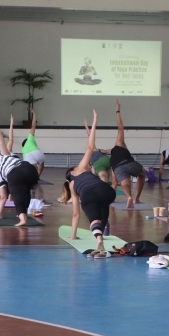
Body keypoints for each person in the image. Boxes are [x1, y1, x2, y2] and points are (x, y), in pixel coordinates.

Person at [60, 110, 116, 258]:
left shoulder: (72, 186)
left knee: (94, 218)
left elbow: (76, 214)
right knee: (103, 205)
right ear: (72, 171)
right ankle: (102, 233)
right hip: (107, 191)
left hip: (89, 194)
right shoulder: (80, 169)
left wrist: (73, 236)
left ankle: (99, 239)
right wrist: (95, 123)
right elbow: (90, 147)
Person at [0, 115, 39, 227]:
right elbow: (2, 142)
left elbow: (3, 197)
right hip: (31, 170)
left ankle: (22, 218)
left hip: (16, 174)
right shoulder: (7, 156)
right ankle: (24, 214)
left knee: (18, 196)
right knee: (25, 191)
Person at [109, 99, 145, 208]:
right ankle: (136, 199)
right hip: (129, 163)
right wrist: (117, 111)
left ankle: (129, 197)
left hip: (118, 169)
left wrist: (110, 198)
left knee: (125, 184)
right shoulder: (119, 144)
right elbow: (120, 128)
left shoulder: (112, 159)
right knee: (142, 173)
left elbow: (114, 181)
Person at [83, 119, 112, 183]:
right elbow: (107, 151)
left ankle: (103, 184)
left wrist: (86, 126)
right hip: (107, 160)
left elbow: (90, 135)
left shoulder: (91, 151)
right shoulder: (97, 150)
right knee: (106, 176)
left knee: (102, 175)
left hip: (99, 163)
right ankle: (106, 184)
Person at [21, 108, 46, 178]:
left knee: (31, 170)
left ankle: (32, 179)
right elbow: (33, 126)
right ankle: (37, 177)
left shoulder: (23, 149)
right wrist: (34, 114)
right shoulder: (30, 139)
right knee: (41, 167)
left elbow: (25, 160)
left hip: (28, 156)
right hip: (38, 153)